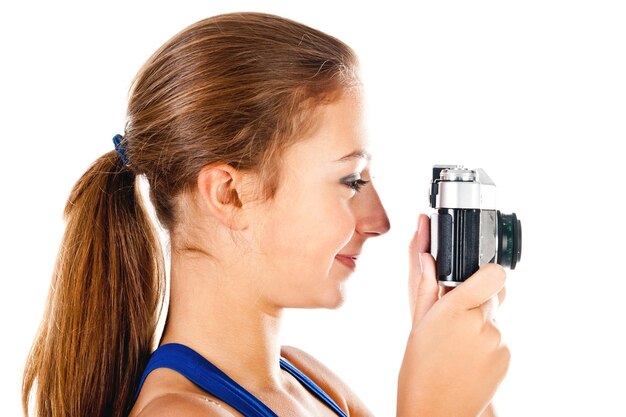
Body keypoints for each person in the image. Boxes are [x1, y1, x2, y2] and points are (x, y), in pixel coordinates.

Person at [22, 12, 509, 417]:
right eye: (351, 181)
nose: (379, 220)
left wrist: (458, 373)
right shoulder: (178, 413)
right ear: (229, 194)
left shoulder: (312, 383)